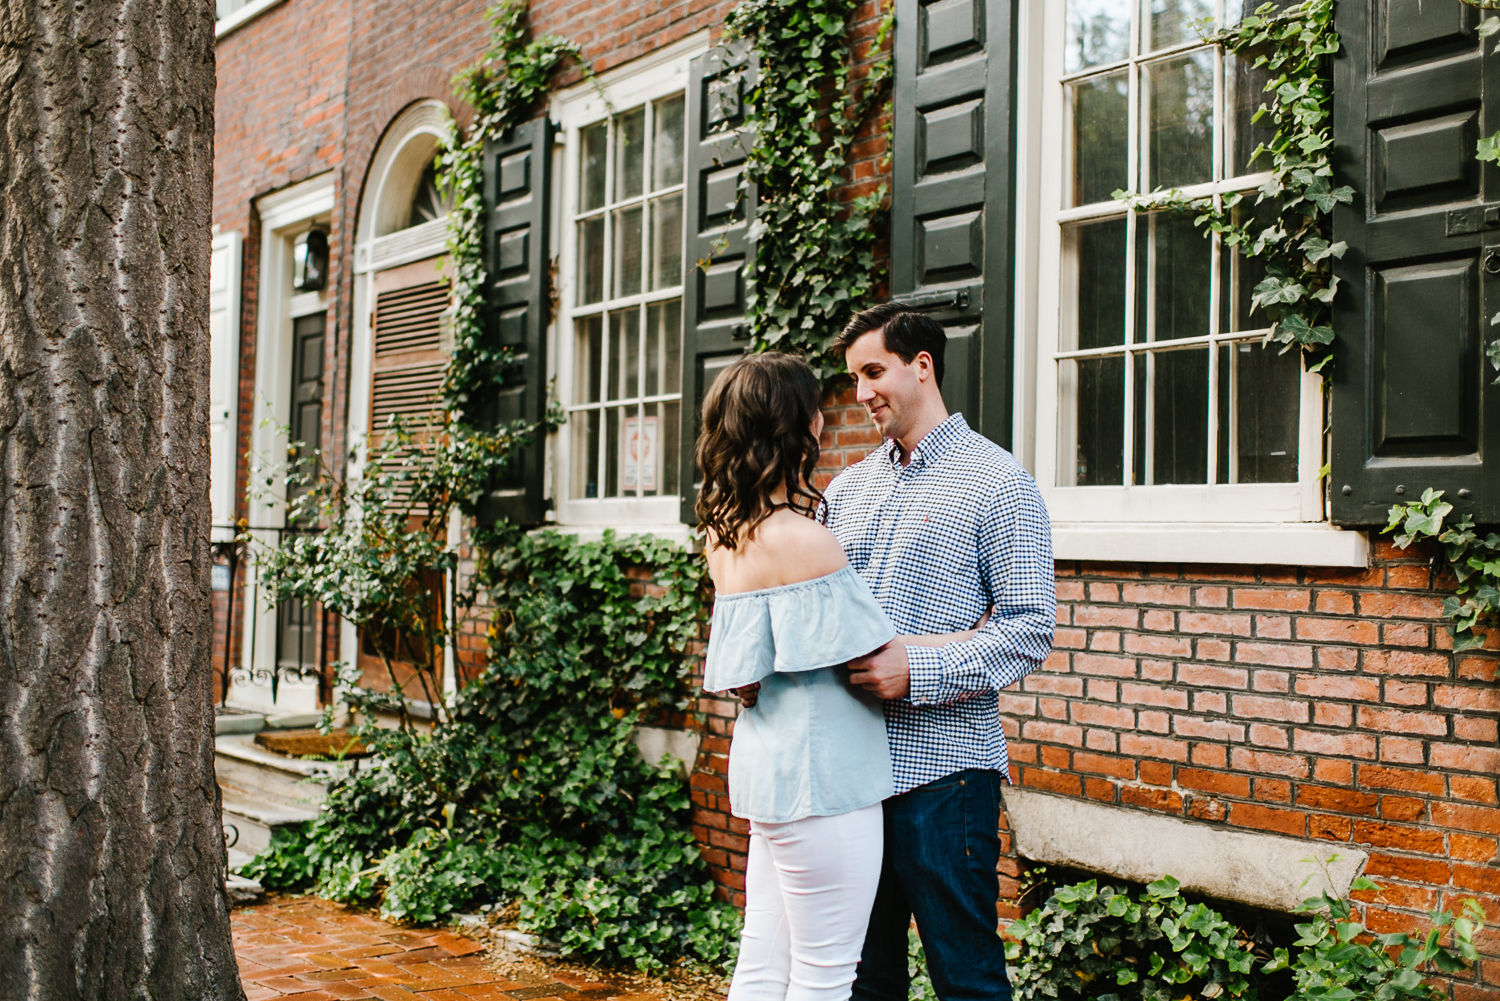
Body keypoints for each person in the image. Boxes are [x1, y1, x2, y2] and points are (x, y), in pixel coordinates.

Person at [697, 352, 984, 1001]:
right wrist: (969, 634)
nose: (829, 416)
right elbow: (873, 655)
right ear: (796, 425)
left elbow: (753, 661)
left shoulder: (723, 534)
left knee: (762, 964)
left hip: (766, 773)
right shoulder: (805, 539)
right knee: (826, 976)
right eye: (817, 406)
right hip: (826, 780)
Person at [822, 303, 1057, 1001]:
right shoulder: (847, 489)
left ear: (921, 365)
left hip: (946, 778)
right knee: (867, 980)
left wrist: (913, 667)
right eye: (853, 377)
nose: (861, 393)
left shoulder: (999, 482)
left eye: (873, 371)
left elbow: (1029, 627)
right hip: (854, 778)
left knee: (968, 978)